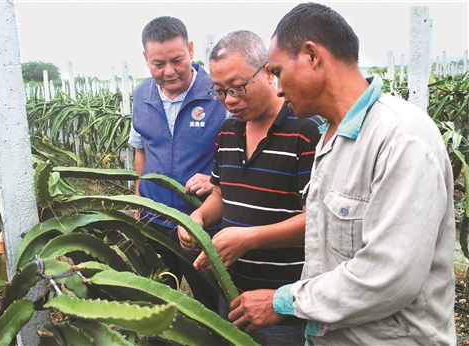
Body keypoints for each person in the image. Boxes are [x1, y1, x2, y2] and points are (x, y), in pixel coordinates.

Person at [227, 3, 457, 345]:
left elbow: (389, 275)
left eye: (278, 71)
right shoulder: (331, 136)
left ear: (311, 56)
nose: (276, 88)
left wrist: (286, 301)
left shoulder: (401, 136)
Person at [177, 30, 322, 346]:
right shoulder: (228, 131)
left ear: (268, 72)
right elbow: (220, 194)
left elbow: (317, 221)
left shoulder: (305, 132)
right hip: (230, 294)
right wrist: (198, 220)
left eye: (238, 87)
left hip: (281, 304)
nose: (229, 100)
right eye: (220, 91)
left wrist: (248, 239)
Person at [128, 16, 228, 313]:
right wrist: (137, 197)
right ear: (145, 59)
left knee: (212, 307)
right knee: (156, 305)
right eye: (158, 64)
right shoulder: (142, 95)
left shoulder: (217, 92)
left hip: (203, 224)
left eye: (177, 60)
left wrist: (215, 180)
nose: (169, 71)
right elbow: (141, 150)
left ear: (191, 50)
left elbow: (241, 149)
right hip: (154, 220)